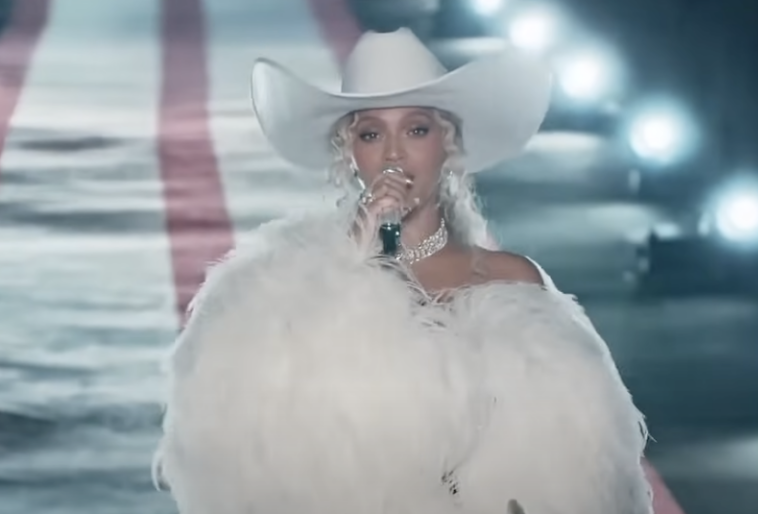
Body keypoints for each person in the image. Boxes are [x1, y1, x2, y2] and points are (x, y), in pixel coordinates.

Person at [152, 28, 653, 514]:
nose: (394, 153)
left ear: (447, 144)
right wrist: (352, 259)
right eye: (372, 134)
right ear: (350, 153)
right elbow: (260, 454)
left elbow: (581, 466)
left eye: (416, 130)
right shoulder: (286, 293)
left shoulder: (512, 282)